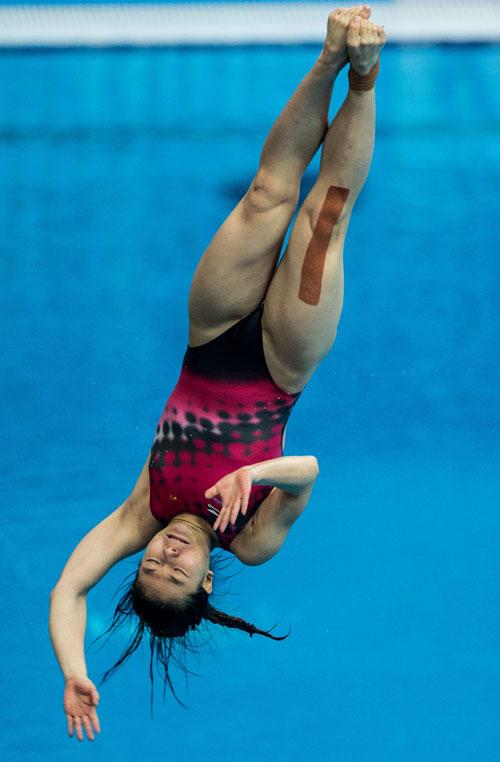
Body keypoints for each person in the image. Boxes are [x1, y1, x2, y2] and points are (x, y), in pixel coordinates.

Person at [49, 6, 385, 740]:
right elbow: (310, 471)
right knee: (323, 216)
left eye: (148, 570)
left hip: (210, 335)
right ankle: (363, 79)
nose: (164, 556)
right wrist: (255, 472)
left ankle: (329, 57)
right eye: (177, 572)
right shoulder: (250, 542)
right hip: (283, 361)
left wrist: (74, 669)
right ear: (205, 580)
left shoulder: (143, 513)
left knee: (268, 192)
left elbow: (70, 588)